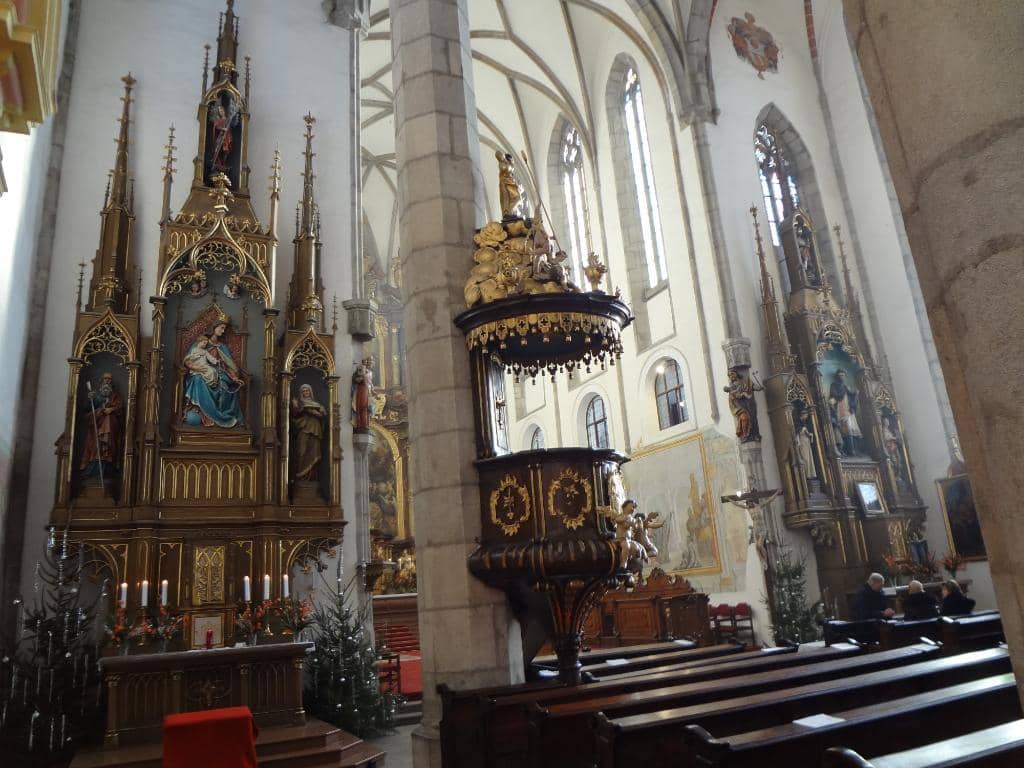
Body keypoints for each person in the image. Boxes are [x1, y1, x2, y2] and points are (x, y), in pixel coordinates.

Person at [182, 321, 245, 428]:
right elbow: (188, 360)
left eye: (224, 329)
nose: (223, 331)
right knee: (198, 380)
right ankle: (202, 413)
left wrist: (234, 378)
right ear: (213, 328)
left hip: (220, 374)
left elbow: (229, 365)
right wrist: (196, 367)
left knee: (224, 387)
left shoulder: (222, 347)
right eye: (221, 328)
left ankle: (222, 417)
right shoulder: (200, 343)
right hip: (199, 372)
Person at [79, 371, 125, 482]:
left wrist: (112, 409)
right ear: (102, 381)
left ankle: (107, 472)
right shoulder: (95, 395)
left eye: (109, 379)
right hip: (96, 429)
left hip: (111, 429)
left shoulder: (115, 396)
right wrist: (90, 401)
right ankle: (92, 473)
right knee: (95, 448)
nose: (107, 381)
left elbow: (120, 408)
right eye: (105, 379)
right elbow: (86, 410)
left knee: (108, 448)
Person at [290, 383, 327, 481]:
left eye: (307, 390)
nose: (306, 392)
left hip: (315, 429)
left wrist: (320, 413)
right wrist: (295, 407)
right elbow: (294, 415)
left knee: (315, 453)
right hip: (303, 428)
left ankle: (312, 478)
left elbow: (323, 416)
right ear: (301, 393)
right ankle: (300, 476)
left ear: (310, 391)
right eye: (303, 391)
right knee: (301, 451)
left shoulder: (317, 404)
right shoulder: (299, 402)